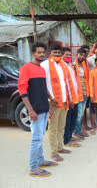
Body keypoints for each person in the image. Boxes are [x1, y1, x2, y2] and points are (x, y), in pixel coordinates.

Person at [18, 42, 57, 177]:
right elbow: (22, 90)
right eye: (38, 52)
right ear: (33, 53)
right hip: (35, 109)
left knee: (40, 136)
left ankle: (40, 160)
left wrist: (50, 105)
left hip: (44, 108)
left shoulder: (41, 69)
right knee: (36, 138)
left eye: (43, 52)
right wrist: (30, 110)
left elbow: (43, 89)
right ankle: (33, 167)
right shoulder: (26, 68)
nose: (41, 54)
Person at [41, 44, 78, 162]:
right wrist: (49, 100)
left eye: (58, 53)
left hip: (64, 100)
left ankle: (60, 147)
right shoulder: (45, 65)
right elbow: (43, 85)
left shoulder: (63, 65)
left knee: (61, 125)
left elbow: (66, 83)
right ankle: (53, 152)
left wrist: (70, 98)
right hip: (52, 101)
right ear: (50, 53)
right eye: (54, 53)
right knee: (53, 127)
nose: (57, 55)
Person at [62, 47, 80, 148]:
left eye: (70, 55)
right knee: (68, 119)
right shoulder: (62, 66)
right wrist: (69, 98)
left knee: (74, 118)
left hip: (75, 97)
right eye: (66, 55)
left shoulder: (71, 66)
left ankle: (70, 136)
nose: (68, 57)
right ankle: (66, 140)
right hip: (68, 98)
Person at [73, 48, 90, 140]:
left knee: (81, 113)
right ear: (77, 54)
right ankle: (76, 132)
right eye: (81, 55)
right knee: (78, 114)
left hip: (84, 93)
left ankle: (79, 131)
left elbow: (86, 79)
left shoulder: (84, 66)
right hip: (77, 94)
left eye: (84, 55)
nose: (82, 57)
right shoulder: (73, 65)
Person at [79, 45, 92, 133]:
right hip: (80, 91)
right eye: (84, 52)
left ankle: (85, 125)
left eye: (87, 52)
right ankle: (81, 127)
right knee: (81, 111)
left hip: (87, 89)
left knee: (84, 109)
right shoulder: (78, 63)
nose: (86, 53)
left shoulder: (87, 62)